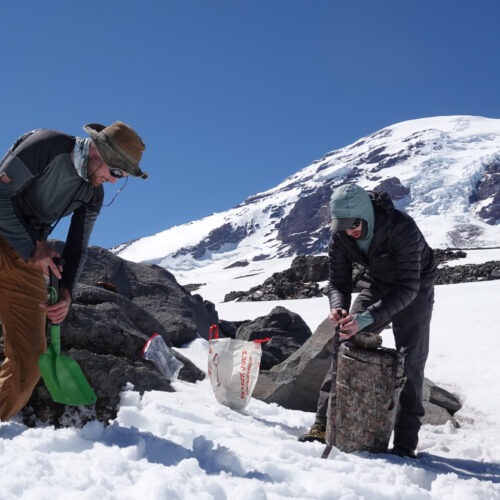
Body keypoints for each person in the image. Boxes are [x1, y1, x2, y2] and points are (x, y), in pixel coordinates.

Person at [0, 121, 148, 421]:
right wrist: (33, 247)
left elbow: (77, 246)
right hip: (22, 243)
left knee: (30, 361)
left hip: (26, 257)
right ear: (98, 151)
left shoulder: (92, 194)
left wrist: (66, 292)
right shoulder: (46, 146)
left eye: (122, 177)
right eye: (116, 172)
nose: (113, 181)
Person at [299, 183, 436, 459]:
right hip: (376, 283)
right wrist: (338, 308)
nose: (350, 232)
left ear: (367, 215)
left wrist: (366, 318)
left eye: (354, 225)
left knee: (411, 361)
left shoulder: (402, 227)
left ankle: (405, 445)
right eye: (343, 226)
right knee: (344, 341)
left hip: (416, 288)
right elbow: (337, 281)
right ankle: (324, 426)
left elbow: (408, 287)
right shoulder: (340, 235)